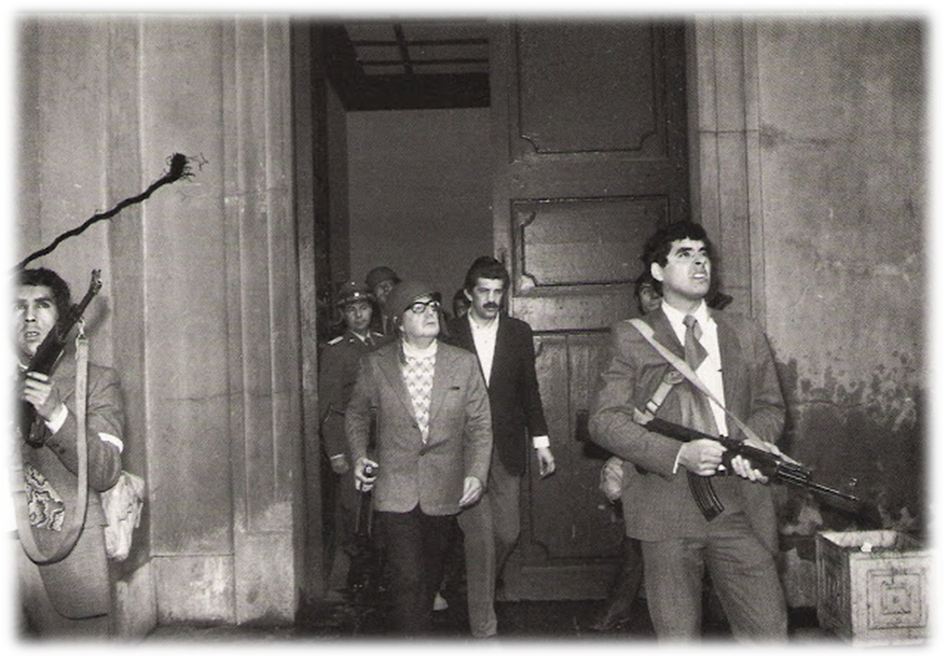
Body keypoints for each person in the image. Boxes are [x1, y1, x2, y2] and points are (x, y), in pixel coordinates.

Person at [589, 221, 789, 651]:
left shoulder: (744, 332)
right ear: (657, 271)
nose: (700, 263)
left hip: (736, 501)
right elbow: (604, 420)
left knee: (769, 634)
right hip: (666, 504)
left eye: (703, 254)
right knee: (679, 641)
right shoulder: (631, 337)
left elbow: (770, 407)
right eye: (684, 254)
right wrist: (679, 454)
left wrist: (752, 445)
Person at [345, 281, 493, 652]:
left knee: (427, 577)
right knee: (407, 577)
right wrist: (360, 454)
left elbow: (480, 424)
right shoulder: (376, 364)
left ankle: (415, 635)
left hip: (444, 487)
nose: (429, 313)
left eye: (432, 306)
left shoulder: (463, 363)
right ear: (398, 321)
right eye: (418, 308)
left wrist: (476, 472)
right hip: (395, 487)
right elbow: (357, 414)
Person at [3, 267, 125, 654]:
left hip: (65, 556)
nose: (29, 317)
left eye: (42, 305)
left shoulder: (97, 381)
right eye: (17, 307)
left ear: (62, 318)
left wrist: (57, 414)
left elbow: (105, 470)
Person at [444, 256, 555, 654]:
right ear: (469, 293)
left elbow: (530, 391)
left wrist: (541, 443)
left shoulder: (518, 332)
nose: (492, 299)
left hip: (506, 446)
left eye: (498, 292)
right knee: (480, 538)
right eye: (484, 292)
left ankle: (466, 581)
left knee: (507, 532)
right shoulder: (450, 333)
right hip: (462, 450)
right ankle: (484, 629)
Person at [587, 272, 661, 632]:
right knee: (636, 531)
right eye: (646, 292)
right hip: (640, 447)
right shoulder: (630, 340)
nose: (653, 299)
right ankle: (619, 607)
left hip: (685, 448)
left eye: (657, 292)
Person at [318, 281, 386, 596]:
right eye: (352, 310)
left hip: (384, 438)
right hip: (351, 440)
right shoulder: (335, 351)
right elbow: (330, 406)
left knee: (384, 507)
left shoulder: (385, 344)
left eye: (364, 308)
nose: (359, 315)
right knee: (354, 508)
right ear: (343, 315)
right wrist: (335, 451)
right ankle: (355, 572)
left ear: (373, 311)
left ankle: (382, 571)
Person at [365, 265, 400, 336]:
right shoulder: (367, 322)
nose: (386, 289)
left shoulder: (409, 315)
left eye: (389, 284)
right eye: (380, 286)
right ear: (372, 294)